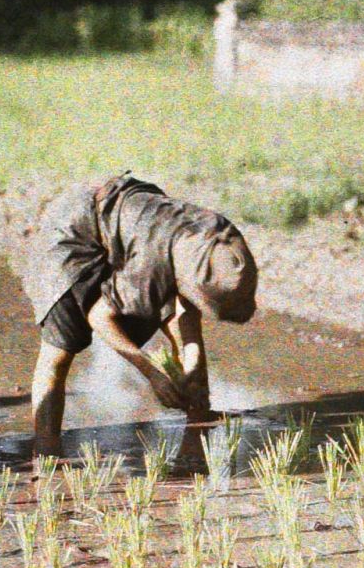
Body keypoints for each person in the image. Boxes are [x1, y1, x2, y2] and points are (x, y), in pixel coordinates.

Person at [22, 173, 258, 458]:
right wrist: (152, 373)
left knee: (172, 321)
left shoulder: (217, 240)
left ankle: (197, 421)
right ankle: (46, 452)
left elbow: (187, 318)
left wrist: (194, 377)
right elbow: (98, 316)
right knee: (58, 352)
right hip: (74, 232)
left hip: (132, 225)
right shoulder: (153, 267)